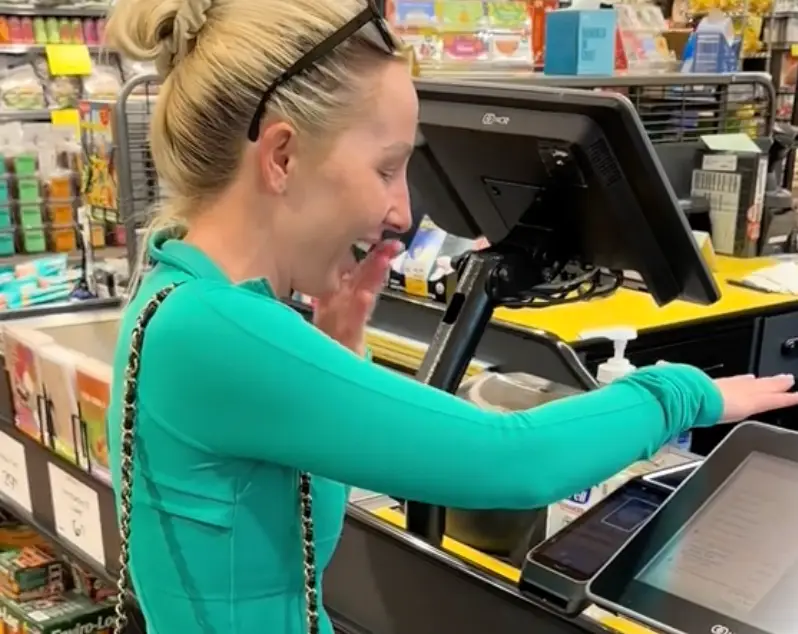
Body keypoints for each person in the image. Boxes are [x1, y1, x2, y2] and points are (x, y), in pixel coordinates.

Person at [104, 0, 798, 632]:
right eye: (386, 168)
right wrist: (679, 393)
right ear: (283, 156)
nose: (403, 212)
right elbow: (512, 460)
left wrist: (334, 351)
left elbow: (273, 548)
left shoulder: (175, 290)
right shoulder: (216, 334)